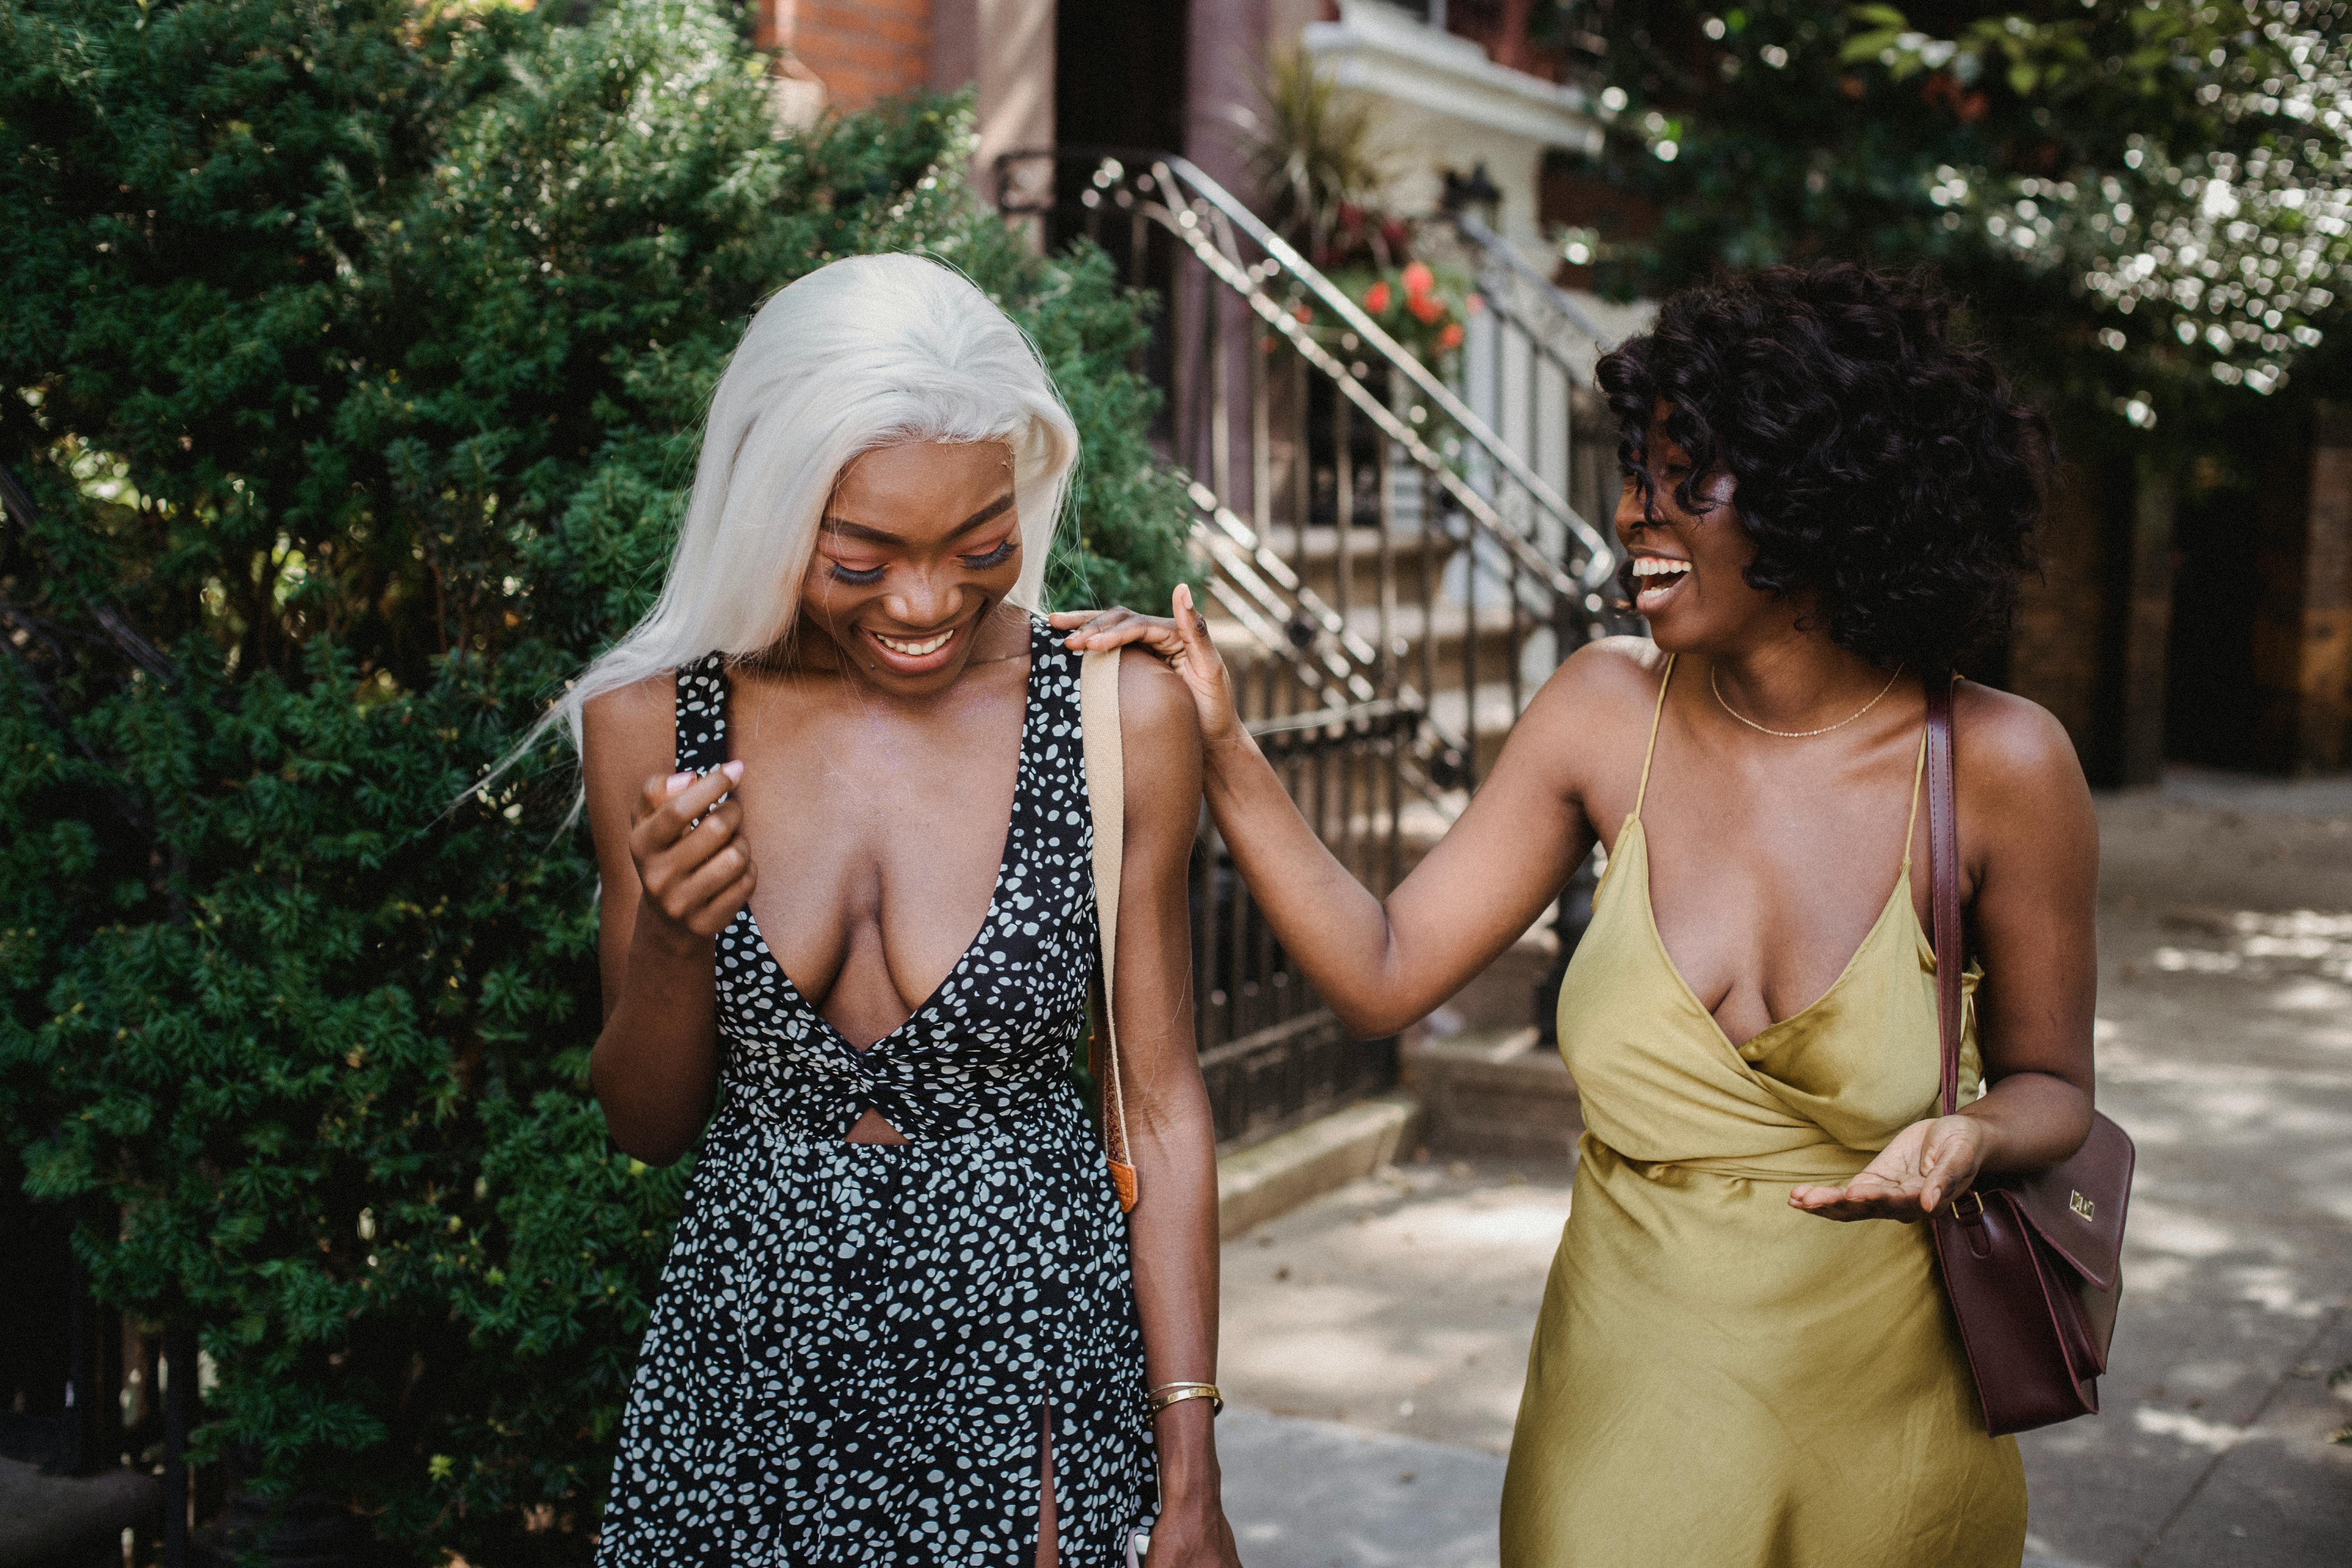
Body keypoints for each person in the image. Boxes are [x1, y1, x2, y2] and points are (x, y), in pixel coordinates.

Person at [1056, 263, 2096, 1566]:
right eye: (1634, 477)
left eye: (1682, 484)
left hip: (1894, 1431)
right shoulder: (1608, 713)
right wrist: (1223, 745)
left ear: (1832, 494)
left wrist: (1975, 1135)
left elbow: (2056, 1083)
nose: (1631, 518)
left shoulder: (2001, 763)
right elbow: (1383, 973)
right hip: (1627, 1404)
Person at [559, 254, 1241, 1567]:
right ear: (768, 506)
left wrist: (1189, 1472)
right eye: (865, 556)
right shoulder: (652, 721)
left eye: (978, 547)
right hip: (744, 1379)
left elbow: (1158, 1103)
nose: (928, 605)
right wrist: (671, 942)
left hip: (1029, 1374)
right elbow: (646, 1127)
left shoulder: (1113, 715)